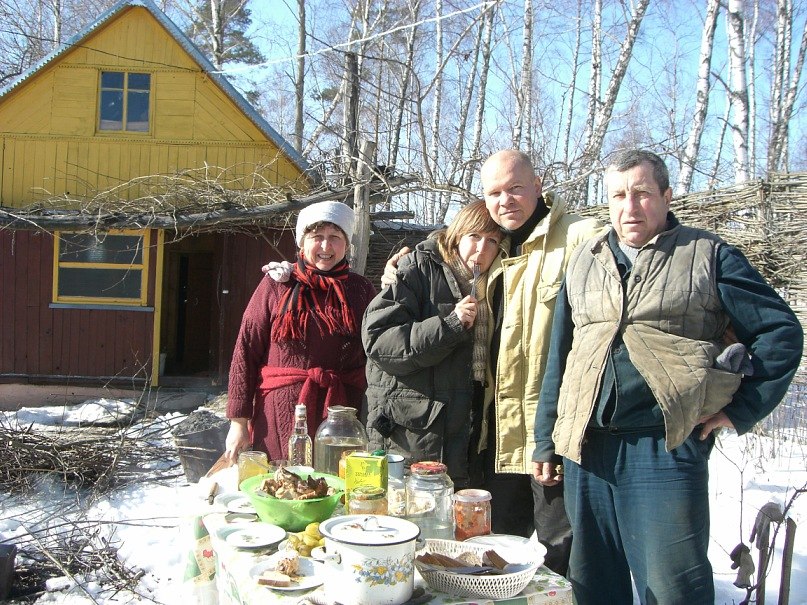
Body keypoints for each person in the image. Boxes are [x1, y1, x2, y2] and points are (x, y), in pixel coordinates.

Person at [533, 149, 803, 604]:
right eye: (618, 195)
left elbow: (781, 333)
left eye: (641, 193)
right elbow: (559, 356)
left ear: (666, 195)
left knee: (673, 588)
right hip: (587, 448)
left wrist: (741, 410)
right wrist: (545, 438)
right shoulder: (585, 260)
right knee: (594, 583)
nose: (629, 207)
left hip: (663, 448)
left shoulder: (707, 255)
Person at [382, 150, 603, 575]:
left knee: (564, 556)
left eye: (516, 188)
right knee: (497, 557)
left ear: (538, 186)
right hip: (495, 440)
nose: (506, 201)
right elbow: (449, 253)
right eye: (495, 193)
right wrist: (404, 265)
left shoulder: (579, 238)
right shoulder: (495, 246)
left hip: (552, 433)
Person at [362, 200, 503, 489]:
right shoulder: (416, 267)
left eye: (492, 241)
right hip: (412, 429)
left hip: (472, 424)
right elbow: (379, 342)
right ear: (457, 235)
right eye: (474, 237)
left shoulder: (500, 280)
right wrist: (450, 325)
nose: (481, 249)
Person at [225, 201, 376, 463]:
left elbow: (378, 350)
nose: (326, 247)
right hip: (279, 415)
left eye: (335, 237)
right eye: (317, 237)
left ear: (347, 244)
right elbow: (245, 351)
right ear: (301, 243)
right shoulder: (276, 286)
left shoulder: (361, 290)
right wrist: (238, 423)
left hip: (342, 414)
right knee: (282, 488)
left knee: (336, 487)